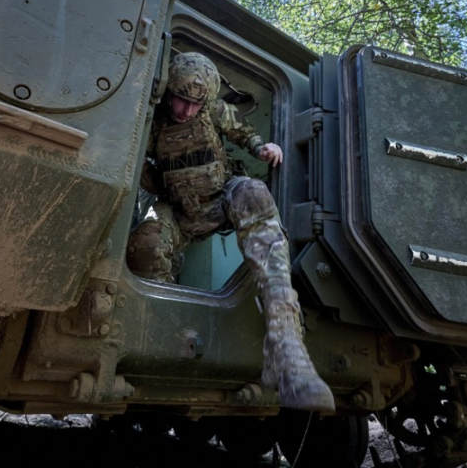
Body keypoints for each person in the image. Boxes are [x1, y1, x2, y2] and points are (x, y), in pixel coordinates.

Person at [126, 52, 334, 412]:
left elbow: (245, 133)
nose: (187, 110)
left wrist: (263, 148)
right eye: (181, 100)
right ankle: (168, 337)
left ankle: (287, 346)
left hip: (223, 198)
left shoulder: (215, 111)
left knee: (254, 192)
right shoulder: (155, 121)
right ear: (169, 91)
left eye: (195, 103)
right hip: (180, 210)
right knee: (145, 244)